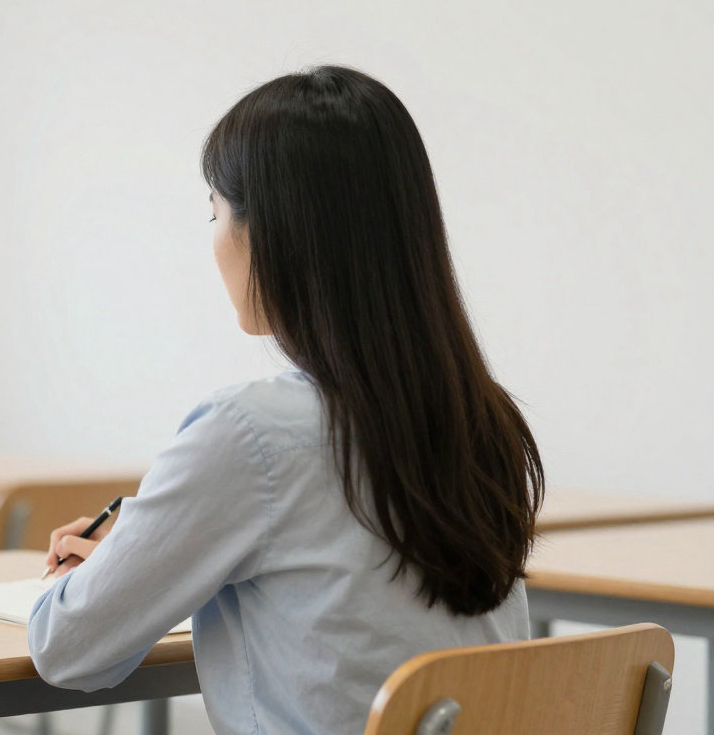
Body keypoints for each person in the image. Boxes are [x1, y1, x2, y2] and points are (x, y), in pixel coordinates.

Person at [27, 65, 545, 735]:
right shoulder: (485, 419)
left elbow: (68, 651)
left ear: (270, 232)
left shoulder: (249, 435)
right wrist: (145, 555)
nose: (212, 237)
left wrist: (90, 579)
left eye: (213, 210)